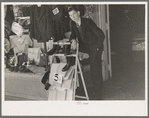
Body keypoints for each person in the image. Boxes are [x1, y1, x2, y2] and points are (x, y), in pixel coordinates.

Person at [67, 6, 105, 100]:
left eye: (74, 14)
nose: (73, 17)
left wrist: (97, 48)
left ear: (79, 13)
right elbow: (73, 35)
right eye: (70, 15)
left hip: (95, 48)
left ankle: (98, 94)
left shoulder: (87, 22)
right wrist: (73, 40)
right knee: (70, 55)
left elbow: (101, 35)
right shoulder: (73, 24)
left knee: (95, 70)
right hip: (85, 48)